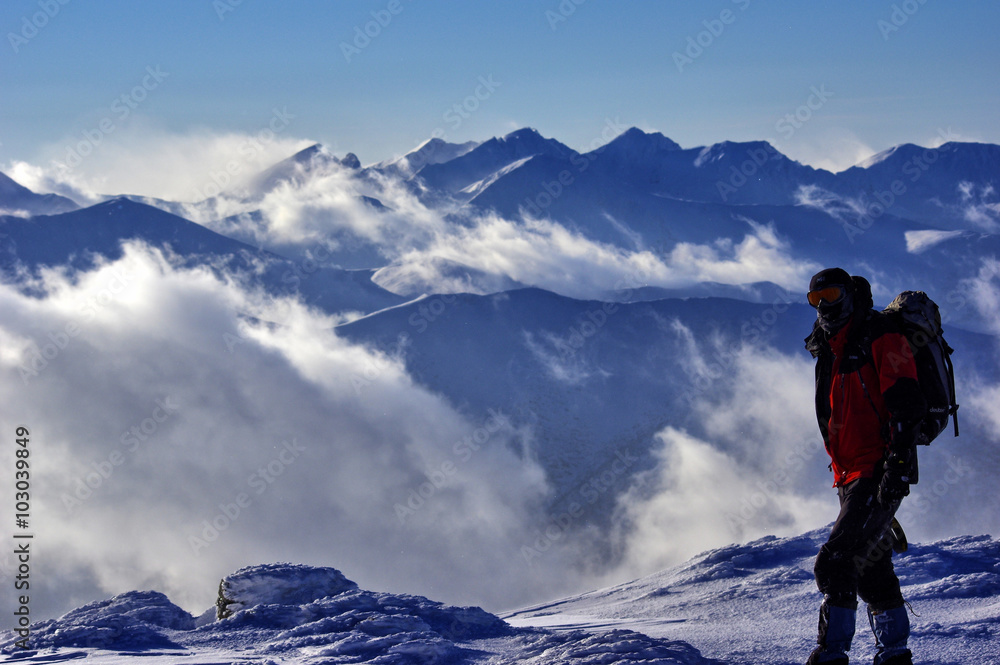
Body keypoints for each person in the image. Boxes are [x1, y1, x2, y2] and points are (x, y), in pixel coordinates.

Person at [803, 268, 926, 665]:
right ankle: (895, 654)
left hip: (878, 469)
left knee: (836, 562)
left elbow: (906, 404)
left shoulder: (881, 336)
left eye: (832, 294)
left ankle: (831, 654)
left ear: (850, 295)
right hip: (849, 474)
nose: (824, 305)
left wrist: (898, 466)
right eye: (815, 299)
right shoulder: (829, 345)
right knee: (872, 569)